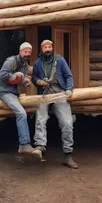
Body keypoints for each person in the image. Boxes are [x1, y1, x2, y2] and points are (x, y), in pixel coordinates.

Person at [32, 39, 78, 169]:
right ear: (42, 50)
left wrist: (69, 89)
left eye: (49, 47)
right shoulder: (37, 63)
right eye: (45, 47)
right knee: (40, 119)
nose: (47, 49)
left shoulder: (60, 60)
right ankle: (40, 147)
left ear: (52, 49)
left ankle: (68, 154)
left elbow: (69, 76)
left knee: (67, 122)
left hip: (59, 92)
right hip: (45, 94)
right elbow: (34, 78)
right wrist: (39, 82)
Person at [0, 42, 36, 156]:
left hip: (13, 92)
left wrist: (24, 81)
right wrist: (17, 77)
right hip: (4, 91)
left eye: (29, 52)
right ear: (20, 52)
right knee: (21, 113)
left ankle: (25, 144)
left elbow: (19, 79)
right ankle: (24, 145)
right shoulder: (11, 61)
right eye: (25, 51)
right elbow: (2, 76)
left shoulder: (25, 65)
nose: (27, 54)